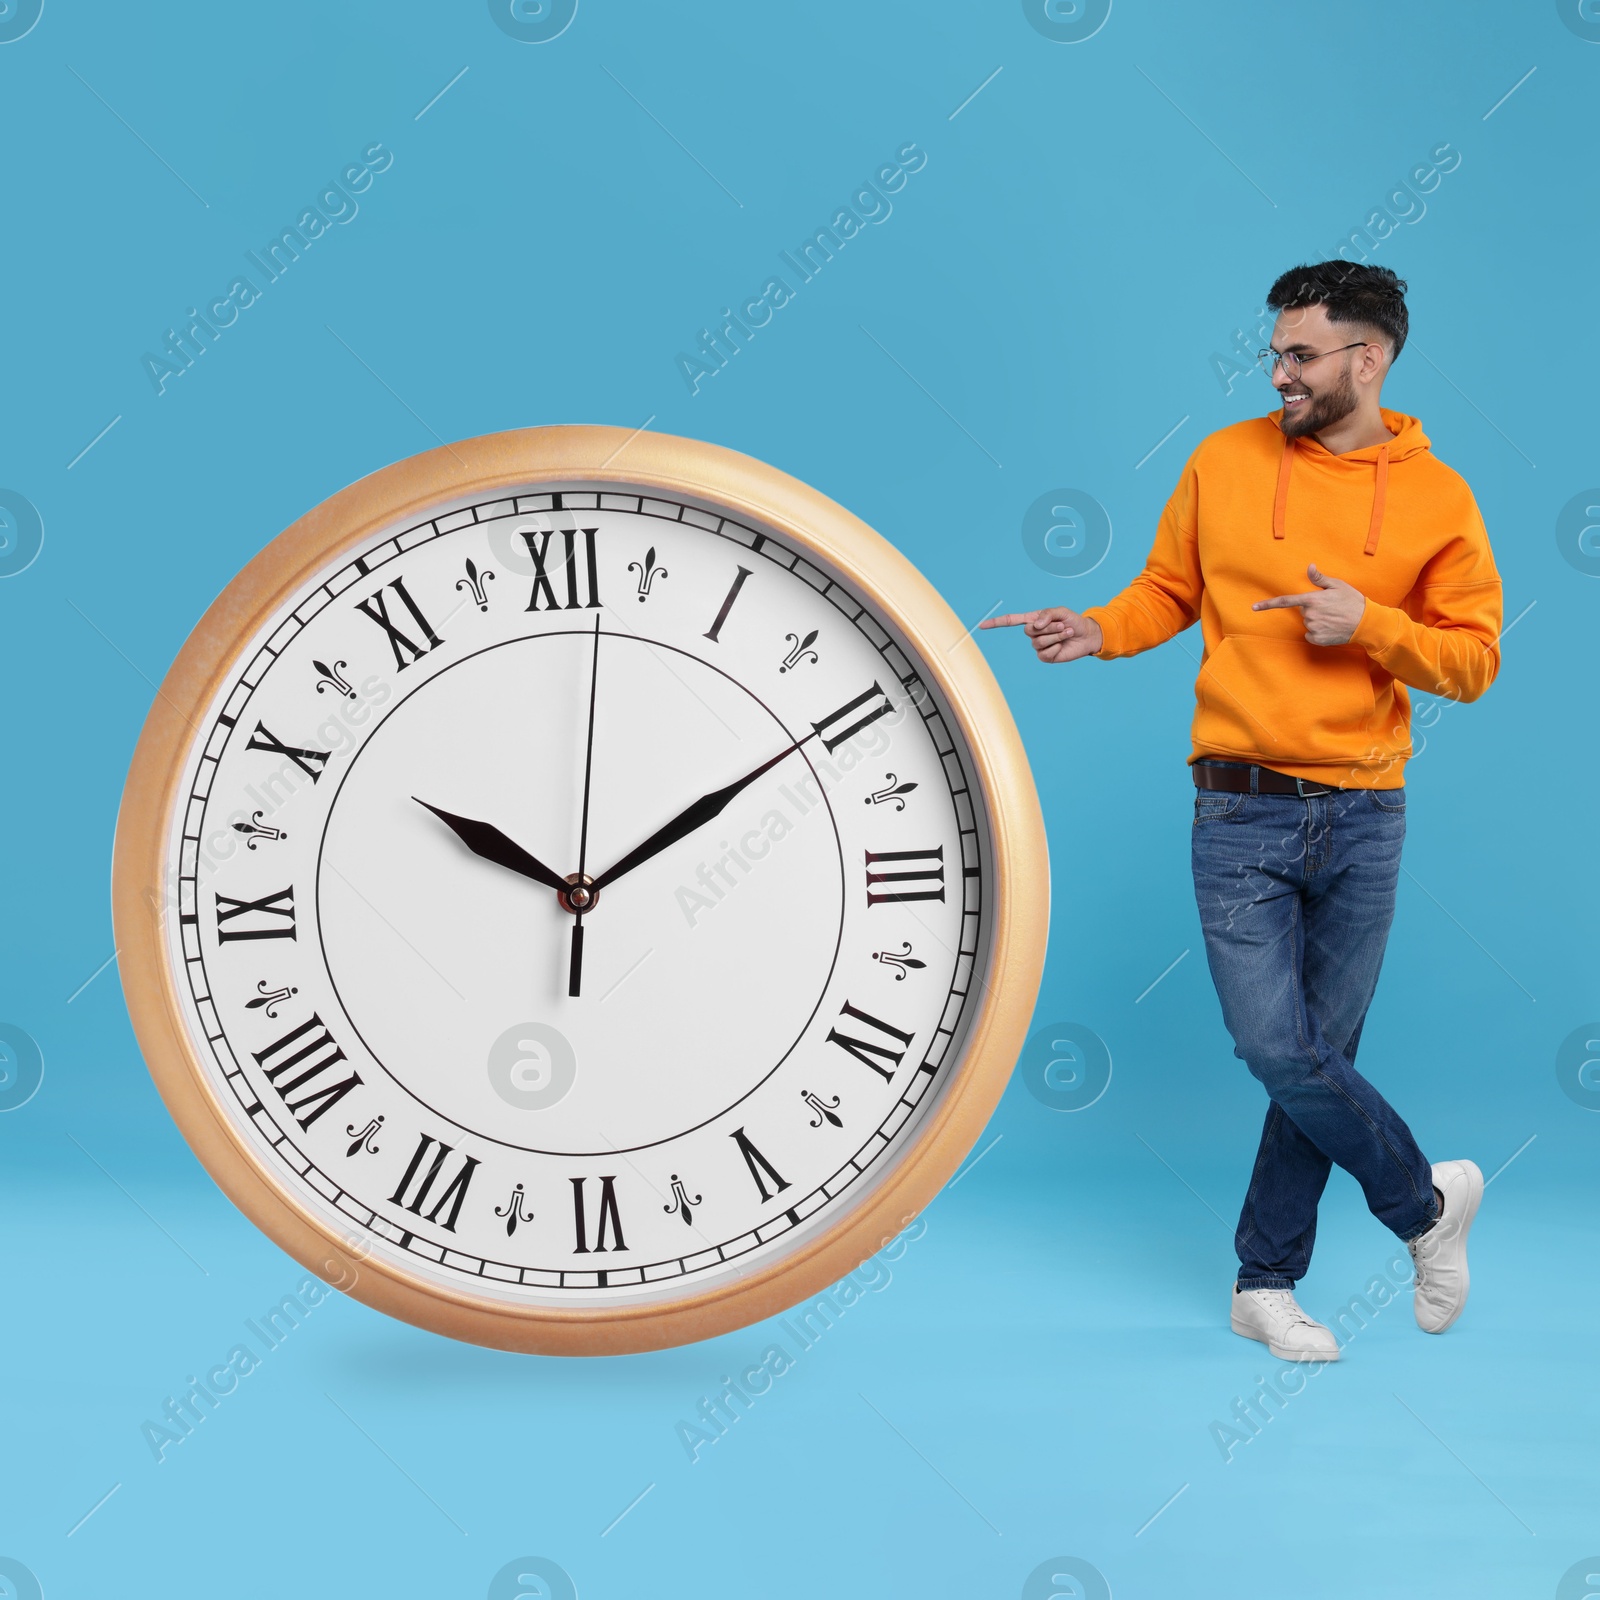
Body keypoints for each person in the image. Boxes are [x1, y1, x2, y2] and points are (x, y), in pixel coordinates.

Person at [984, 262, 1501, 1361]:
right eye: (1273, 353)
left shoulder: (1437, 497)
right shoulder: (1224, 460)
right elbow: (1168, 590)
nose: (1277, 373)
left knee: (1320, 1047)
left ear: (1369, 358)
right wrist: (1097, 629)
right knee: (1277, 1045)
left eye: (1300, 354)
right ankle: (1423, 1204)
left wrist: (1367, 623)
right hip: (1239, 812)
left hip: (1363, 811)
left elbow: (1473, 660)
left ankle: (1262, 1283)